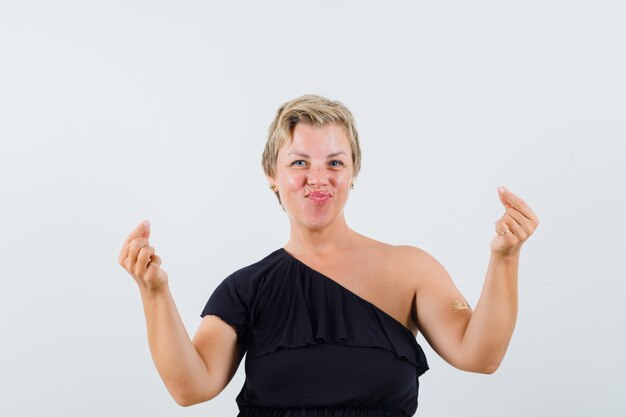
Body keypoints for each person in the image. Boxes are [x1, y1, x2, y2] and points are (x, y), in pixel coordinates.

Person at [117, 94, 539, 416]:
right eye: (299, 162)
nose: (317, 178)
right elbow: (191, 388)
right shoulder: (246, 289)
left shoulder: (411, 270)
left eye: (334, 162)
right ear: (273, 175)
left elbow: (480, 355)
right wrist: (154, 293)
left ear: (353, 171)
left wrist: (505, 257)